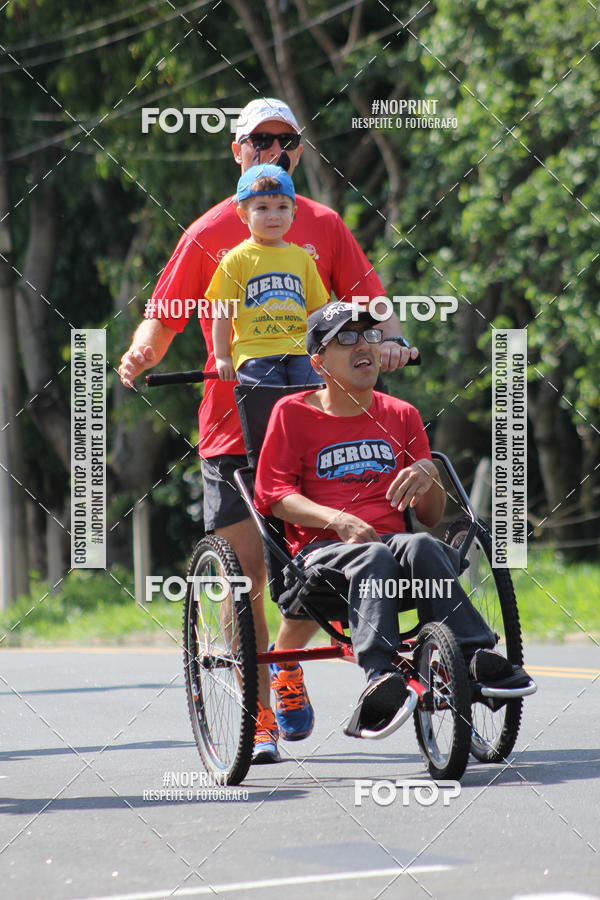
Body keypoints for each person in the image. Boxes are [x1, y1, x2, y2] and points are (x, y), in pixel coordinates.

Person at [117, 97, 418, 764]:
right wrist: (142, 353)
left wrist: (394, 344)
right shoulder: (207, 234)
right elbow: (164, 316)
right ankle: (255, 714)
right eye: (260, 142)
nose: (273, 153)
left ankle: (286, 662)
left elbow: (371, 304)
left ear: (299, 154)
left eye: (286, 142)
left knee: (315, 552)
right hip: (233, 424)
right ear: (237, 151)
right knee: (248, 572)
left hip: (317, 424)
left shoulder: (324, 226)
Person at [253, 302, 532, 750]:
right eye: (346, 337)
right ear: (318, 362)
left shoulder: (401, 414)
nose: (363, 344)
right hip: (322, 558)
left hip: (394, 550)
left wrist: (429, 475)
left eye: (370, 334)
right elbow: (273, 496)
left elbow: (431, 516)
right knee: (376, 552)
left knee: (421, 544)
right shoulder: (292, 414)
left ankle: (475, 654)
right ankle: (380, 676)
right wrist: (338, 520)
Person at [209, 164, 328, 386]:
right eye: (262, 208)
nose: (273, 216)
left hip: (300, 351)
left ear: (293, 213)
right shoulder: (235, 259)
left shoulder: (302, 258)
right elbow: (223, 312)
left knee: (311, 405)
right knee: (267, 410)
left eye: (282, 207)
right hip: (255, 354)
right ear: (243, 215)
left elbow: (318, 311)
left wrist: (324, 348)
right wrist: (222, 356)